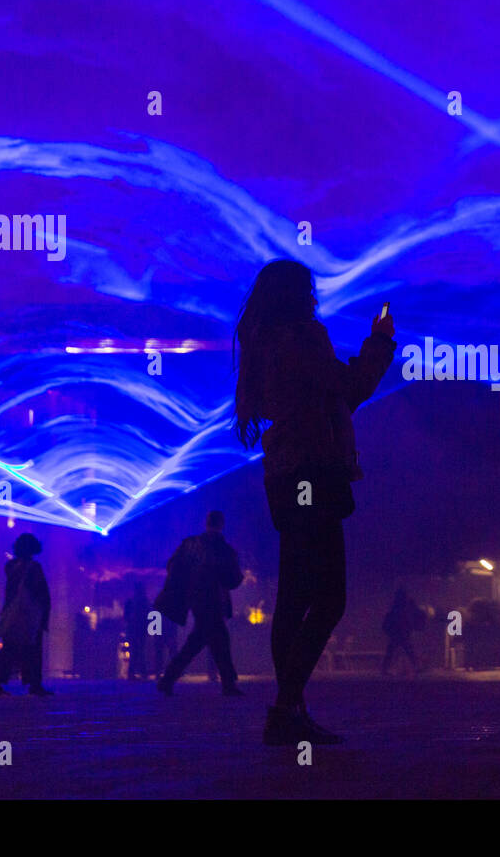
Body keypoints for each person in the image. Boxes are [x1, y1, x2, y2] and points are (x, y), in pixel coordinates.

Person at [233, 259, 395, 745]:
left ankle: (291, 710)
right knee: (329, 598)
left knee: (294, 598)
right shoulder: (304, 337)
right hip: (314, 473)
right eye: (309, 289)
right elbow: (351, 389)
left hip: (283, 476)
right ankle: (285, 707)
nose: (315, 296)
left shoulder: (262, 344)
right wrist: (381, 342)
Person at [156, 511, 243, 696]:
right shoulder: (222, 549)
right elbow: (233, 579)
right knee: (210, 642)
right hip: (213, 601)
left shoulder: (190, 545)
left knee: (208, 641)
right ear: (221, 524)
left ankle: (169, 679)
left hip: (196, 600)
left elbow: (173, 566)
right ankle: (227, 683)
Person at [0, 533, 53, 696]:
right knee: (34, 650)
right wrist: (44, 614)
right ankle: (34, 684)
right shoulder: (34, 567)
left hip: (13, 613)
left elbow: (10, 592)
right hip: (30, 615)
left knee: (9, 649)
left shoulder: (11, 567)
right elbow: (41, 593)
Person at [381, 587, 425, 675]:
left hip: (397, 630)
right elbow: (412, 613)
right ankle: (417, 666)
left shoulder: (396, 605)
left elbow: (392, 616)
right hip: (403, 629)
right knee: (408, 649)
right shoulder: (406, 604)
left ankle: (384, 668)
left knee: (392, 649)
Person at [124, 581, 150, 680]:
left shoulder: (130, 602)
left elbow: (126, 617)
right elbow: (148, 616)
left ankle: (132, 673)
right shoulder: (144, 602)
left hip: (133, 630)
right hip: (141, 630)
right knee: (140, 651)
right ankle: (142, 673)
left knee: (134, 651)